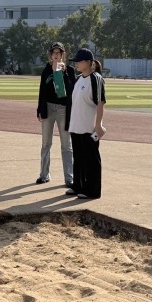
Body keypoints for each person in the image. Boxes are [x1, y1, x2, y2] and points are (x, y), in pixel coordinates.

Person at [66, 48, 106, 199]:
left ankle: (93, 190)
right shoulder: (78, 79)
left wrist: (98, 124)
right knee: (78, 158)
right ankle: (78, 185)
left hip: (89, 127)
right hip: (76, 126)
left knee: (91, 159)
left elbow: (100, 102)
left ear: (89, 62)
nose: (76, 63)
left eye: (79, 61)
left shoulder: (96, 79)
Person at [35, 42, 76, 187]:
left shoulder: (69, 70)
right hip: (48, 108)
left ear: (63, 54)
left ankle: (69, 178)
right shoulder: (46, 70)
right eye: (54, 52)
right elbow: (42, 91)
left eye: (59, 52)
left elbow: (72, 90)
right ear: (50, 55)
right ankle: (44, 175)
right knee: (46, 143)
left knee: (66, 145)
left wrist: (64, 73)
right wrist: (40, 110)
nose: (56, 55)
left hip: (63, 109)